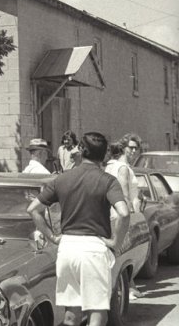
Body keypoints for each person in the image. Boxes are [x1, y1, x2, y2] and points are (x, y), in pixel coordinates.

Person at [27, 132, 130, 326]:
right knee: (98, 314)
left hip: (67, 248)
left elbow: (33, 209)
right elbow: (124, 213)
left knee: (70, 315)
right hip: (94, 249)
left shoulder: (62, 179)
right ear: (104, 154)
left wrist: (53, 237)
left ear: (81, 150)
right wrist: (116, 242)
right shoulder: (108, 181)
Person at [105, 138, 142, 300]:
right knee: (125, 250)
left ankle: (129, 285)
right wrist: (132, 216)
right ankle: (125, 287)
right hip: (121, 214)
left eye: (136, 148)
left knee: (121, 250)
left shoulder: (111, 165)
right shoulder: (123, 168)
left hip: (113, 215)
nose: (134, 151)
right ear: (123, 148)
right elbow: (125, 195)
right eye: (131, 148)